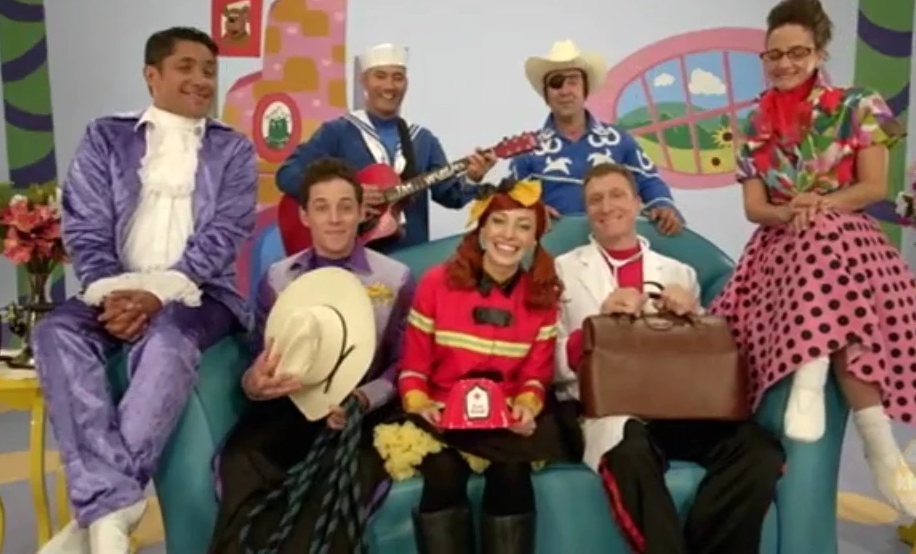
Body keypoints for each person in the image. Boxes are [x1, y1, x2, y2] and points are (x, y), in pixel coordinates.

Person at [708, 0, 916, 518]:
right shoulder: (752, 123)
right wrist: (791, 211)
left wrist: (820, 204)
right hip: (780, 247)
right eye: (774, 54)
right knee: (816, 240)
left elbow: (873, 187)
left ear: (818, 53)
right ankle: (877, 443)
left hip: (848, 239)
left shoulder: (859, 105)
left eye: (797, 52)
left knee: (826, 235)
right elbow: (755, 208)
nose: (785, 63)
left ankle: (820, 383)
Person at [33, 27, 257, 553]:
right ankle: (115, 503)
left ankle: (99, 514)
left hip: (200, 293)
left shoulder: (233, 149)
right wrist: (114, 292)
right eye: (186, 67)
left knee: (168, 343)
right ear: (151, 75)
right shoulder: (105, 137)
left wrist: (158, 295)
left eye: (209, 70)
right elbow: (84, 224)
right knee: (54, 334)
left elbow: (225, 233)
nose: (201, 80)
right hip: (112, 287)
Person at [553, 163, 785, 554]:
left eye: (617, 195)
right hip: (607, 411)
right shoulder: (562, 269)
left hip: (676, 408)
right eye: (595, 200)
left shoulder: (680, 273)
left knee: (758, 450)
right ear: (586, 211)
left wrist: (693, 315)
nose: (606, 207)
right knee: (630, 450)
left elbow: (702, 360)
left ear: (637, 203)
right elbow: (548, 360)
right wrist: (598, 326)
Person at [209, 158, 414, 553]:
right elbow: (260, 353)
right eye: (322, 207)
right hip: (292, 404)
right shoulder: (277, 279)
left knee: (337, 484)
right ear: (305, 215)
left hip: (361, 414)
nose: (334, 219)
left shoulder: (395, 279)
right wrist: (254, 382)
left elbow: (402, 363)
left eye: (345, 207)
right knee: (241, 459)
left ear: (362, 212)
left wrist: (362, 400)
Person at [372, 179, 577, 553]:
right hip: (439, 412)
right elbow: (414, 368)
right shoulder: (436, 283)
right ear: (481, 227)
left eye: (523, 226)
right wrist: (421, 404)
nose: (509, 235)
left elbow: (535, 376)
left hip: (504, 418)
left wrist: (526, 407)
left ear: (534, 239)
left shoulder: (542, 298)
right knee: (444, 474)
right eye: (499, 221)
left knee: (512, 473)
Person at [275, 43, 496, 253]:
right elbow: (286, 174)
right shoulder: (338, 132)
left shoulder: (423, 139)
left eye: (397, 77)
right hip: (350, 255)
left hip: (411, 254)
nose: (389, 86)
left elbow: (450, 196)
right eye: (380, 76)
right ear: (364, 81)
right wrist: (349, 193)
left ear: (406, 84)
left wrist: (472, 178)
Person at [509, 39, 684, 235]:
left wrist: (663, 205)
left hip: (613, 241)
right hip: (552, 245)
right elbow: (511, 199)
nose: (565, 91)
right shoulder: (527, 149)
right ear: (546, 95)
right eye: (556, 84)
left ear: (585, 89)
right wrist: (533, 210)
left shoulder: (619, 140)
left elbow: (649, 181)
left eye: (573, 82)